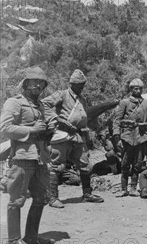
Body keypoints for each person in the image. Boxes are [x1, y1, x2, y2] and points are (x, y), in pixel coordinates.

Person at [0, 67, 57, 244]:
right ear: (25, 84)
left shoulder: (40, 105)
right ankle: (13, 241)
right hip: (22, 158)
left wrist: (48, 131)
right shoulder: (14, 102)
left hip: (40, 158)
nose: (38, 85)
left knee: (41, 198)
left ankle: (31, 237)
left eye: (41, 83)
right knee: (17, 200)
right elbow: (5, 128)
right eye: (34, 82)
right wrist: (32, 130)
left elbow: (42, 129)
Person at [41, 69, 104, 207]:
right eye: (80, 84)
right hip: (62, 135)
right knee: (57, 165)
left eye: (83, 84)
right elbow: (44, 104)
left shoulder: (82, 99)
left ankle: (87, 193)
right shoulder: (61, 94)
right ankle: (53, 198)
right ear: (72, 84)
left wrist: (86, 138)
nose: (82, 87)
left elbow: (83, 119)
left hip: (77, 136)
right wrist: (57, 119)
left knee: (85, 164)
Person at [113, 78, 147, 197]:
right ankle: (123, 189)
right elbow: (117, 121)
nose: (138, 90)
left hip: (142, 137)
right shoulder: (124, 103)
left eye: (140, 88)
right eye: (135, 88)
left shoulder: (146, 103)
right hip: (127, 137)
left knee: (138, 164)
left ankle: (133, 188)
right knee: (125, 164)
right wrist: (117, 138)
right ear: (131, 89)